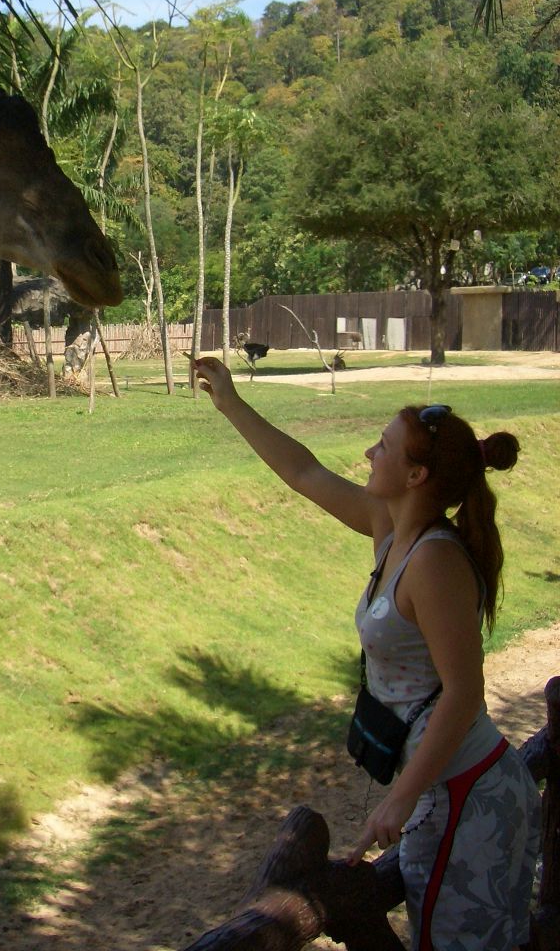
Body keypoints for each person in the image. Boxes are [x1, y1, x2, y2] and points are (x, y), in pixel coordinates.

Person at [193, 356, 541, 951]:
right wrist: (229, 403)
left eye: (383, 447)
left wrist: (400, 797)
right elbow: (302, 470)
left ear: (415, 476)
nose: (368, 455)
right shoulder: (389, 527)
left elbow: (463, 693)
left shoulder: (434, 561)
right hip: (443, 792)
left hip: (469, 799)